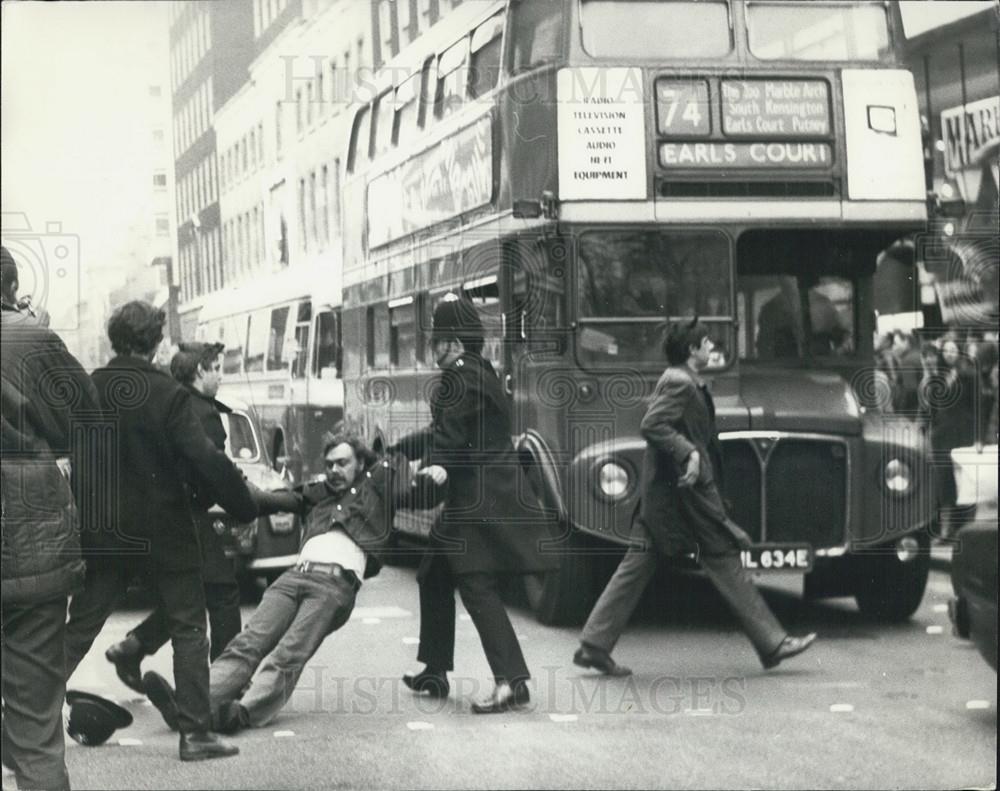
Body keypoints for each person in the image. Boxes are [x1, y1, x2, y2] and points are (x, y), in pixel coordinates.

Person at [140, 432, 445, 733]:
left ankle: (242, 713)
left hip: (334, 586)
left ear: (360, 462)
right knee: (247, 644)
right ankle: (190, 707)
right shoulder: (316, 493)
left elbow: (416, 494)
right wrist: (224, 478)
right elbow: (265, 500)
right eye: (329, 465)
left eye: (342, 463)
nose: (334, 471)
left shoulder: (379, 488)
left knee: (288, 653)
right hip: (294, 576)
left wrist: (438, 474)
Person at [63, 301, 260, 762]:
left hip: (106, 533)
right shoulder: (167, 393)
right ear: (155, 343)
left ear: (115, 340)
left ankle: (24, 719)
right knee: (190, 625)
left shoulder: (89, 390)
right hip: (166, 531)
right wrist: (242, 504)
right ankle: (194, 735)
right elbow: (204, 458)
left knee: (81, 626)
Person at [573, 318, 817, 676]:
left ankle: (594, 644)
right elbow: (653, 425)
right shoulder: (679, 382)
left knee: (637, 568)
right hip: (682, 498)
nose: (711, 348)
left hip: (671, 497)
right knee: (723, 559)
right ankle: (773, 643)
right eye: (706, 343)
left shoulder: (683, 380)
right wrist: (688, 452)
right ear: (691, 351)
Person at [392, 297, 557, 713]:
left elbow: (448, 439)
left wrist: (438, 468)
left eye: (435, 339)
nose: (431, 347)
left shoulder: (457, 379)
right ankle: (434, 669)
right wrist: (396, 450)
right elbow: (445, 430)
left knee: (476, 583)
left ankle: (511, 682)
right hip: (488, 488)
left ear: (450, 341)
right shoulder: (480, 373)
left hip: (475, 496)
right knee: (433, 573)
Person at [1, 245, 99, 791]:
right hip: (28, 538)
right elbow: (81, 422)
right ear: (12, 287)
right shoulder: (28, 337)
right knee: (37, 722)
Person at [105, 342, 243, 694]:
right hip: (189, 515)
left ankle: (132, 647)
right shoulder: (202, 411)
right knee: (223, 593)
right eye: (217, 370)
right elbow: (209, 469)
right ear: (200, 372)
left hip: (152, 515)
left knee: (189, 595)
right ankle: (225, 683)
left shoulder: (165, 400)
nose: (220, 378)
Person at [920, 337, 977, 538]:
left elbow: (976, 404)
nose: (949, 354)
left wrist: (977, 435)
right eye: (946, 351)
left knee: (964, 479)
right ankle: (947, 527)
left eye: (953, 350)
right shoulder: (938, 376)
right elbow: (931, 407)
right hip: (942, 434)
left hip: (963, 432)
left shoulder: (968, 374)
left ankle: (966, 527)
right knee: (944, 480)